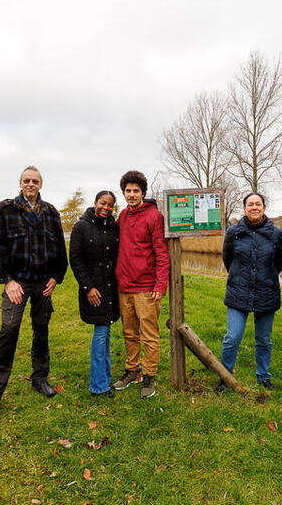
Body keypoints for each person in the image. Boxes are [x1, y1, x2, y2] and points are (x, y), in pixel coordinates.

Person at [0, 166, 68, 423]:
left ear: (41, 184)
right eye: (27, 180)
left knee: (41, 330)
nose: (31, 184)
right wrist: (7, 281)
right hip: (17, 284)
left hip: (43, 284)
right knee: (9, 332)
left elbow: (60, 250)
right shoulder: (6, 210)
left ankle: (39, 378)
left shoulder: (50, 212)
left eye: (35, 181)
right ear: (20, 183)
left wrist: (55, 278)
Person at [214, 192, 282, 393]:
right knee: (232, 337)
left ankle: (263, 376)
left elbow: (278, 263)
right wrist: (240, 278)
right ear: (244, 208)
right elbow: (228, 260)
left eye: (258, 204)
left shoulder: (276, 234)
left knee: (263, 339)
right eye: (250, 204)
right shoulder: (233, 232)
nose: (254, 207)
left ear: (264, 207)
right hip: (239, 292)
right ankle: (225, 376)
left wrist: (266, 277)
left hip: (266, 292)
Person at [112, 170, 169, 399]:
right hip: (124, 286)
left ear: (143, 193)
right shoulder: (123, 216)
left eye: (136, 191)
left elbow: (161, 253)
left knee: (149, 335)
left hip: (146, 287)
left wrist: (160, 284)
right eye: (128, 191)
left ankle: (149, 375)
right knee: (129, 333)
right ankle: (132, 370)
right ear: (124, 193)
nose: (132, 194)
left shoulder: (154, 216)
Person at [69, 191, 120, 398]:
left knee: (105, 334)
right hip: (94, 290)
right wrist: (88, 287)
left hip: (110, 289)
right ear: (95, 203)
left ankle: (104, 378)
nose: (106, 208)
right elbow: (76, 259)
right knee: (100, 335)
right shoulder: (81, 227)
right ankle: (98, 385)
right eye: (103, 203)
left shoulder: (114, 227)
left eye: (110, 205)